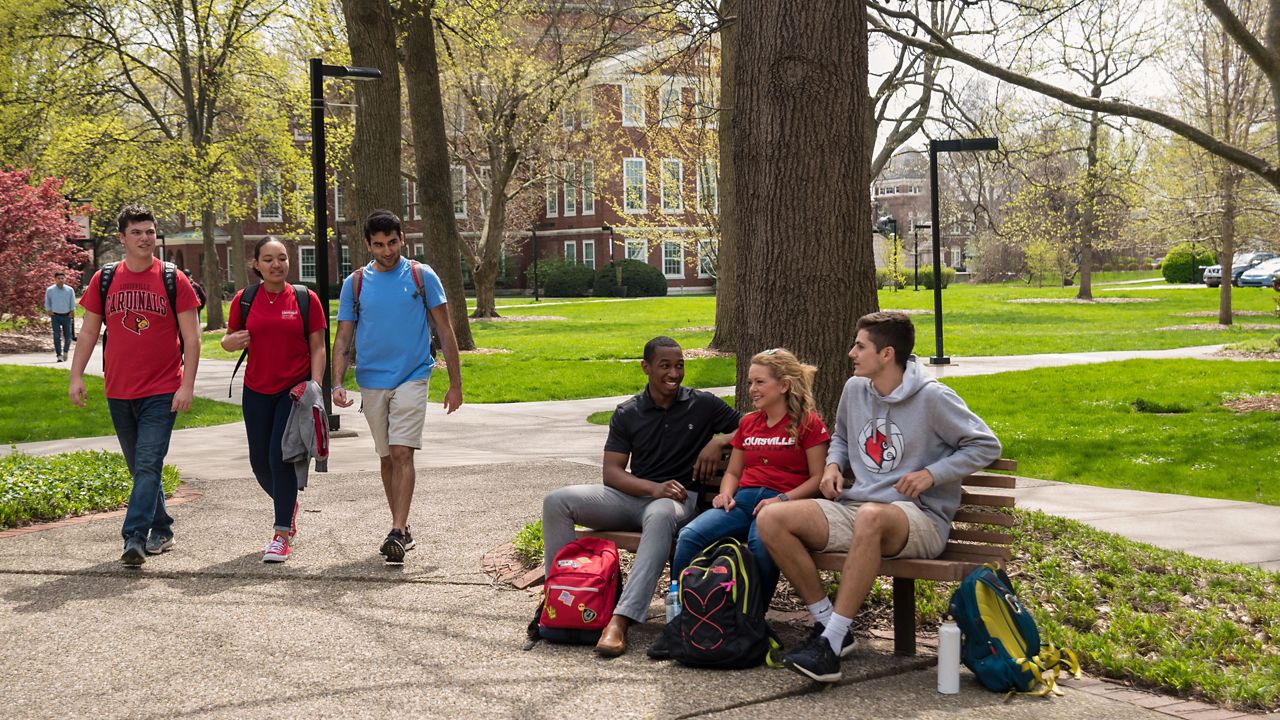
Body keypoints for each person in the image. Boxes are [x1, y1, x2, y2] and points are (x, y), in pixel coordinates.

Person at [758, 312, 1001, 683]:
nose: (851, 352)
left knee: (872, 515)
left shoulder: (933, 397)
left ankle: (829, 645)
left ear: (886, 354)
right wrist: (834, 466)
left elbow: (985, 444)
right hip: (858, 508)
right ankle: (831, 628)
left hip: (918, 519)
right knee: (771, 518)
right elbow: (840, 436)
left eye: (860, 346)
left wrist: (931, 474)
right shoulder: (855, 388)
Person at [541, 336, 740, 657]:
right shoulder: (628, 412)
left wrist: (718, 442)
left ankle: (621, 619)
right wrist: (653, 488)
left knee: (661, 513)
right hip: (635, 497)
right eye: (665, 366)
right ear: (646, 368)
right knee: (557, 501)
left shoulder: (702, 405)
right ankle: (563, 597)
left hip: (677, 500)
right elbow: (613, 473)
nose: (674, 373)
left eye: (679, 365)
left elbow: (752, 427)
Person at [654, 348, 830, 658]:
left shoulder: (808, 424)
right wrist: (725, 492)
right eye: (750, 383)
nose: (752, 390)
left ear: (784, 385)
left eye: (759, 382)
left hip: (782, 507)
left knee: (760, 545)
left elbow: (817, 478)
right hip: (743, 501)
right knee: (690, 536)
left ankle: (750, 624)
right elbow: (734, 471)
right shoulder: (749, 423)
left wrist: (783, 500)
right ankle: (684, 620)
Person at [68, 206, 202, 566]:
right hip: (119, 390)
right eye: (137, 232)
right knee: (142, 468)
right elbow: (89, 333)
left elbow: (192, 339)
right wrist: (76, 375)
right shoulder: (105, 279)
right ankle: (163, 528)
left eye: (150, 231)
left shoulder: (174, 279)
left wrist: (186, 386)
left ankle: (134, 538)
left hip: (162, 389)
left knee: (146, 463)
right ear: (122, 238)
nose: (145, 238)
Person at [332, 210, 463, 564]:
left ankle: (396, 528)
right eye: (379, 244)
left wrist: (455, 383)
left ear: (402, 238)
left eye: (392, 242)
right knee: (387, 457)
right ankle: (403, 530)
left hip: (413, 375)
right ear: (367, 245)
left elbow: (446, 330)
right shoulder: (355, 284)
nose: (387, 251)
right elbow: (343, 336)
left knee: (403, 452)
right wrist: (336, 383)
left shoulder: (422, 276)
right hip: (372, 381)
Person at [221, 237, 326, 563]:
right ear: (256, 264)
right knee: (258, 462)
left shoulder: (305, 299)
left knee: (280, 457)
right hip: (256, 390)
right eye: (268, 259)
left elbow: (318, 346)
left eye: (281, 258)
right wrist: (231, 342)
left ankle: (281, 535)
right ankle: (288, 502)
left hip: (292, 392)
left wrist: (314, 386)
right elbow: (228, 340)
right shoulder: (245, 299)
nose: (276, 264)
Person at [44, 271, 77, 362]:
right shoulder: (50, 290)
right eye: (58, 278)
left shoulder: (69, 290)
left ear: (65, 279)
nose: (61, 280)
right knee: (56, 335)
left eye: (62, 278)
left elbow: (72, 302)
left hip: (67, 316)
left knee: (68, 337)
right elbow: (47, 301)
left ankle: (65, 351)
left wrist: (72, 311)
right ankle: (59, 355)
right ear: (55, 279)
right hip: (55, 316)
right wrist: (49, 310)